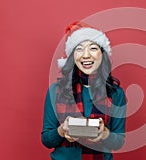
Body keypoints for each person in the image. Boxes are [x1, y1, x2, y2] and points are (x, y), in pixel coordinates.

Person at [41, 21, 126, 160]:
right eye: (79, 49)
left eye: (93, 48)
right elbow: (46, 140)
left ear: (102, 54)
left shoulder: (116, 94)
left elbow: (118, 142)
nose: (86, 55)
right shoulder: (55, 91)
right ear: (73, 57)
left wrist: (104, 134)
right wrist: (62, 130)